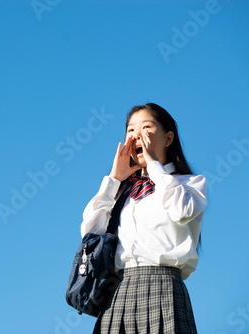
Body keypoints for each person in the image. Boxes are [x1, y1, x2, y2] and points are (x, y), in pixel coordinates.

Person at [80, 103, 207, 334]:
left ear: (168, 138)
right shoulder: (121, 191)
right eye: (130, 130)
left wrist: (155, 168)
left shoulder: (189, 184)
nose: (136, 135)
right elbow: (89, 231)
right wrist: (114, 179)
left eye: (146, 127)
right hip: (118, 291)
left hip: (165, 286)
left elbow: (182, 211)